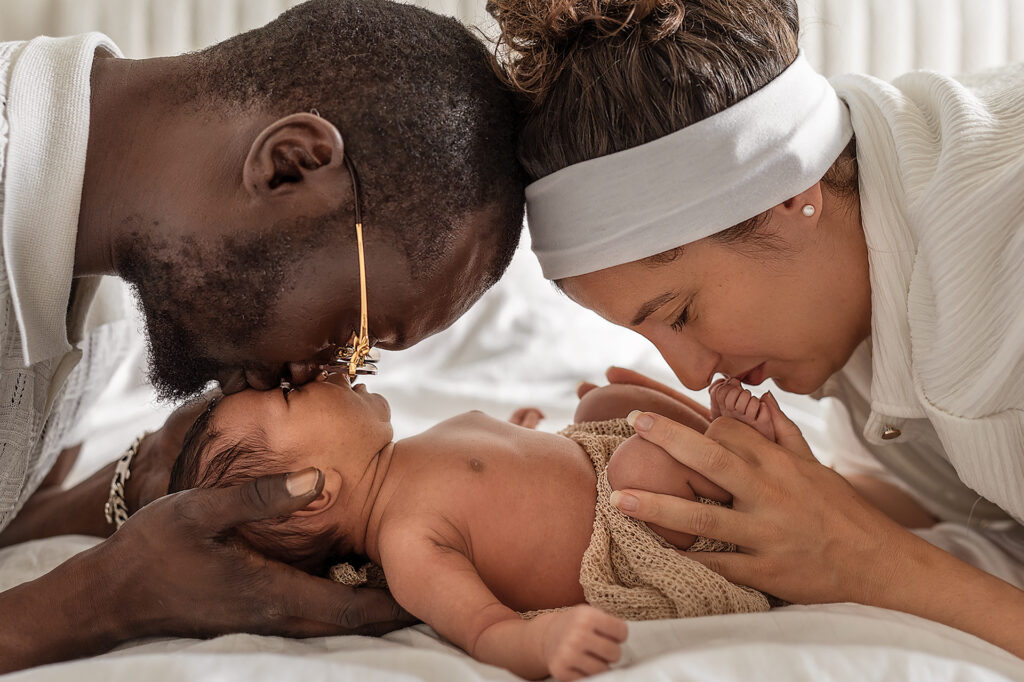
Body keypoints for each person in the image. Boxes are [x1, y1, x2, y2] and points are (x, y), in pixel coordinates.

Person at [486, 0, 1024, 659]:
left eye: (680, 313)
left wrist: (871, 562)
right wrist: (742, 489)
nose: (689, 373)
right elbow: (949, 495)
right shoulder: (853, 247)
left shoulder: (1001, 286)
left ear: (790, 193)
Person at [0, 0, 525, 673]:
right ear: (290, 166)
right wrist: (106, 597)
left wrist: (144, 485)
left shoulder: (104, 262)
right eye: (351, 335)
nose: (314, 374)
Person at [164, 372, 801, 680]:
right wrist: (543, 647)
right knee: (646, 455)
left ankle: (734, 458)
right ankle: (752, 468)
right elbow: (484, 628)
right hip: (632, 532)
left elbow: (496, 487)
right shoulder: (408, 544)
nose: (323, 374)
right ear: (311, 493)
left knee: (602, 405)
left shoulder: (405, 456)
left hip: (598, 462)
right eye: (292, 396)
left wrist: (522, 437)